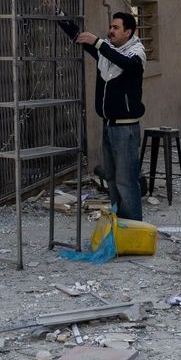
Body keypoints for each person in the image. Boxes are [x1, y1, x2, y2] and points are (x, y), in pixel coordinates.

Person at [62, 12, 147, 221]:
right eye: (111, 26)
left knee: (126, 179)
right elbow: (80, 37)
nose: (111, 31)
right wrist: (59, 15)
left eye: (116, 28)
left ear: (128, 32)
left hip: (125, 129)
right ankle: (119, 221)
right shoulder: (106, 52)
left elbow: (124, 63)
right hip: (108, 126)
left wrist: (98, 43)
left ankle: (132, 224)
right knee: (111, 177)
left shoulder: (136, 54)